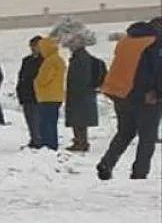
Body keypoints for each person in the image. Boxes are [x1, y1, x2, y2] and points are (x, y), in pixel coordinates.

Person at [95, 17, 162, 180]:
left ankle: (107, 163)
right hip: (146, 97)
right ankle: (139, 173)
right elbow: (158, 71)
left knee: (125, 132)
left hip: (121, 94)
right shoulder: (156, 43)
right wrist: (157, 92)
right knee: (148, 137)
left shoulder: (127, 40)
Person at [64, 41, 107, 153]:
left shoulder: (80, 59)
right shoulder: (84, 57)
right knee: (80, 120)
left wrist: (75, 90)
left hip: (79, 94)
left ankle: (81, 142)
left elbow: (79, 78)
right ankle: (80, 141)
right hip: (85, 94)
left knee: (78, 120)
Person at [32, 35, 65, 151]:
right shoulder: (58, 59)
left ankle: (48, 144)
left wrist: (36, 82)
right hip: (56, 95)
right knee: (51, 122)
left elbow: (43, 79)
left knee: (46, 123)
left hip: (47, 96)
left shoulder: (50, 61)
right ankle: (51, 143)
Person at [18, 36, 44, 148]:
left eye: (36, 46)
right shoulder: (27, 60)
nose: (33, 48)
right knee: (30, 119)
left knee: (38, 119)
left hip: (39, 94)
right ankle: (34, 139)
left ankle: (39, 140)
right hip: (27, 93)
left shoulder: (45, 60)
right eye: (32, 46)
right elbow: (22, 76)